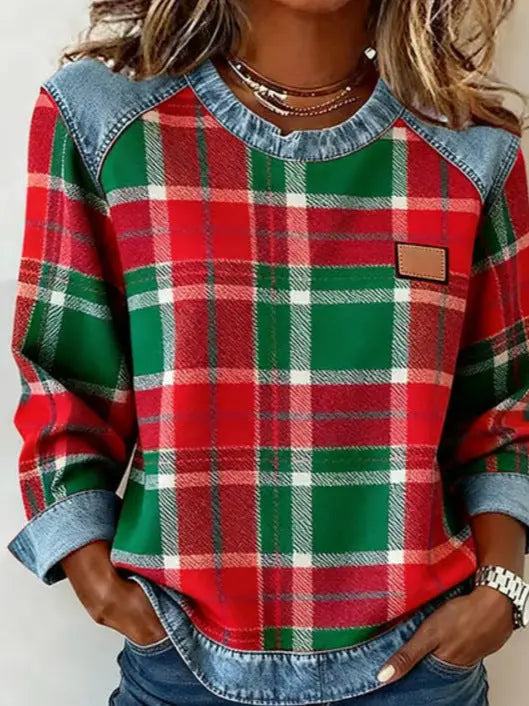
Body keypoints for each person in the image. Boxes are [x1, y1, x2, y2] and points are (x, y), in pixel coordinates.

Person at [7, 0, 529, 704]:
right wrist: (93, 577)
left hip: (419, 670)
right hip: (182, 663)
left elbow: (504, 406)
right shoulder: (105, 119)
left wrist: (501, 589)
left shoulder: (470, 150)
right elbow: (63, 377)